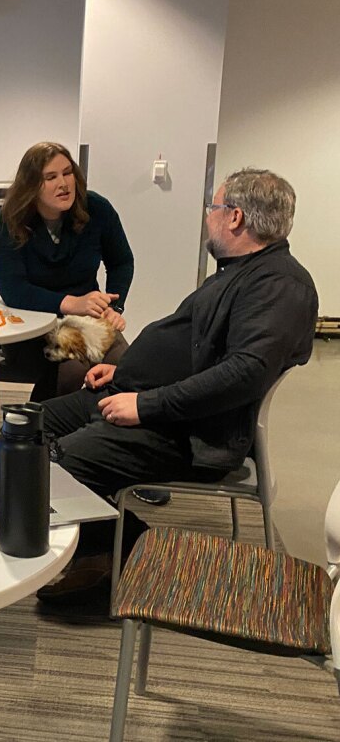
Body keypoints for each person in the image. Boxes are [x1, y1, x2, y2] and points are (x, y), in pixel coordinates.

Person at [35, 168, 318, 605]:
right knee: (32, 425)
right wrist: (125, 375)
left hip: (192, 432)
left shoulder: (279, 284)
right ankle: (106, 544)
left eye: (214, 208)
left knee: (69, 457)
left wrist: (145, 404)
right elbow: (197, 352)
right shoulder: (239, 272)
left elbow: (243, 374)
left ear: (236, 217)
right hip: (155, 403)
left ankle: (119, 562)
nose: (209, 217)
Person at [0, 142, 134, 402]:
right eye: (51, 177)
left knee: (126, 367)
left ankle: (107, 431)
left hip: (87, 321)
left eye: (68, 173)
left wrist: (115, 307)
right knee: (72, 371)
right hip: (29, 325)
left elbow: (122, 261)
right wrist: (73, 304)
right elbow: (15, 291)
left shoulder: (97, 210)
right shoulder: (9, 221)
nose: (64, 183)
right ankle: (42, 433)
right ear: (31, 185)